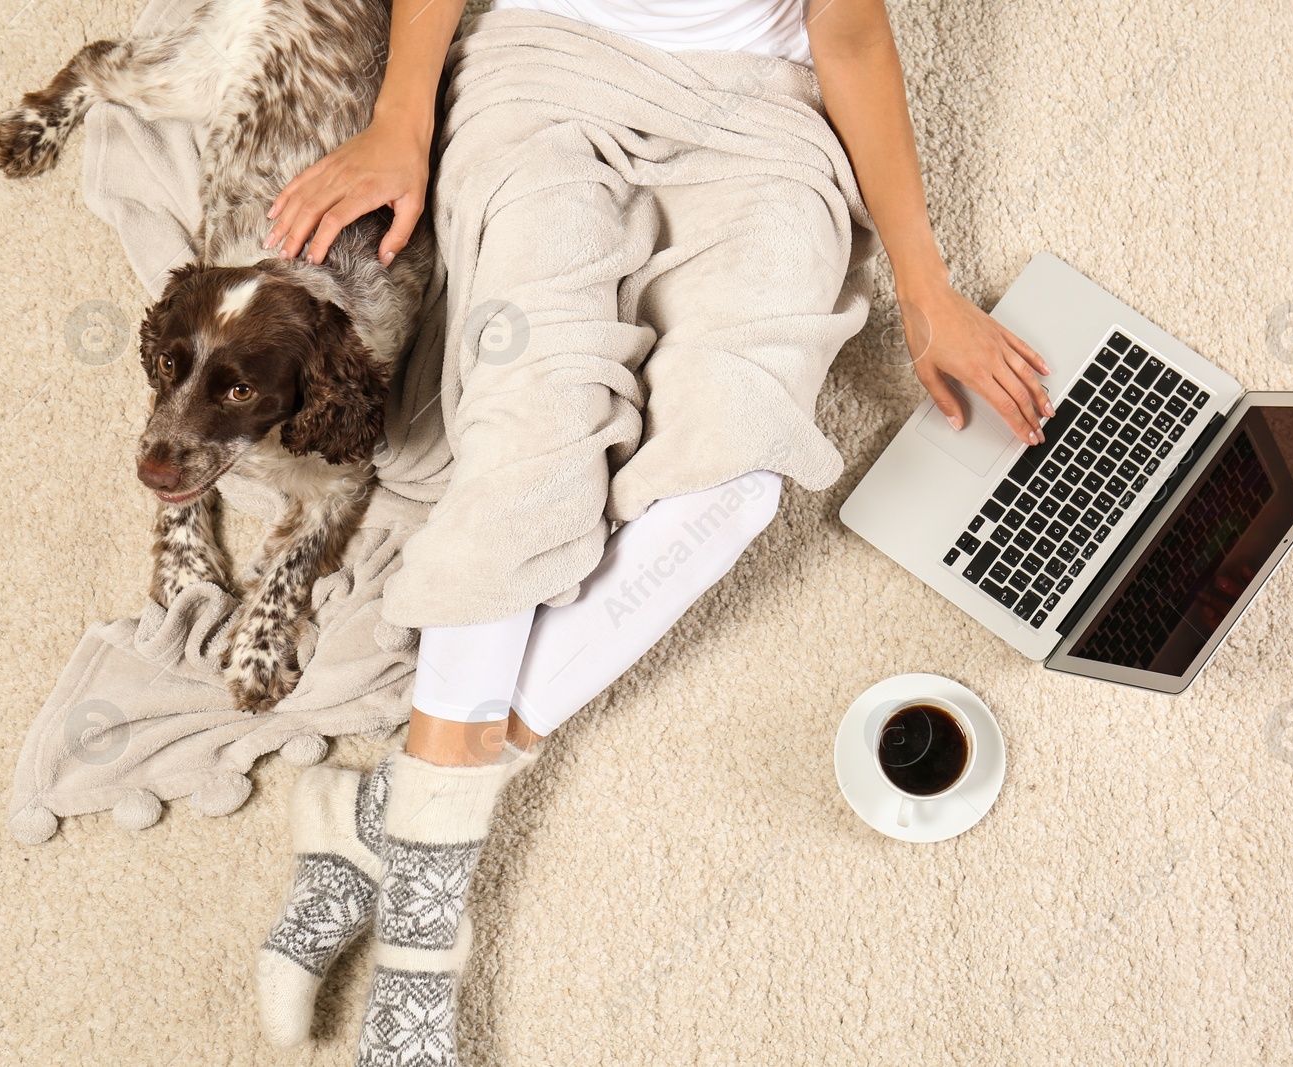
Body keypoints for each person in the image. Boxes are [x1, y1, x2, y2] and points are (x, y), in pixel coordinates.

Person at [252, 1, 1053, 1061]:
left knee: (736, 479)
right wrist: (401, 118)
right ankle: (420, 941)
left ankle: (389, 808)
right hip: (544, 70)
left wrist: (926, 285)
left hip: (759, 111)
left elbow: (850, 36)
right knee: (532, 437)